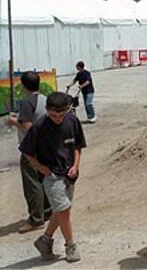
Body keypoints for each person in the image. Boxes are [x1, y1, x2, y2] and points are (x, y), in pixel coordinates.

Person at [19, 92, 86, 262]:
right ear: (47, 110)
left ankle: (45, 240)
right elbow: (26, 152)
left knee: (62, 209)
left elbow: (78, 146)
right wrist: (42, 168)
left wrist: (76, 165)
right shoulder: (39, 127)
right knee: (63, 210)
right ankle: (70, 246)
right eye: (53, 115)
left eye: (61, 115)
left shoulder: (72, 121)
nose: (57, 118)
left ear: (67, 110)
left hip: (70, 174)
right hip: (52, 176)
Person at [5, 71, 51, 233]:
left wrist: (13, 121)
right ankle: (46, 212)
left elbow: (27, 127)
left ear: (23, 85)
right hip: (44, 147)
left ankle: (35, 219)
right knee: (42, 180)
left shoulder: (26, 102)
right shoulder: (44, 99)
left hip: (31, 149)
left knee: (32, 184)